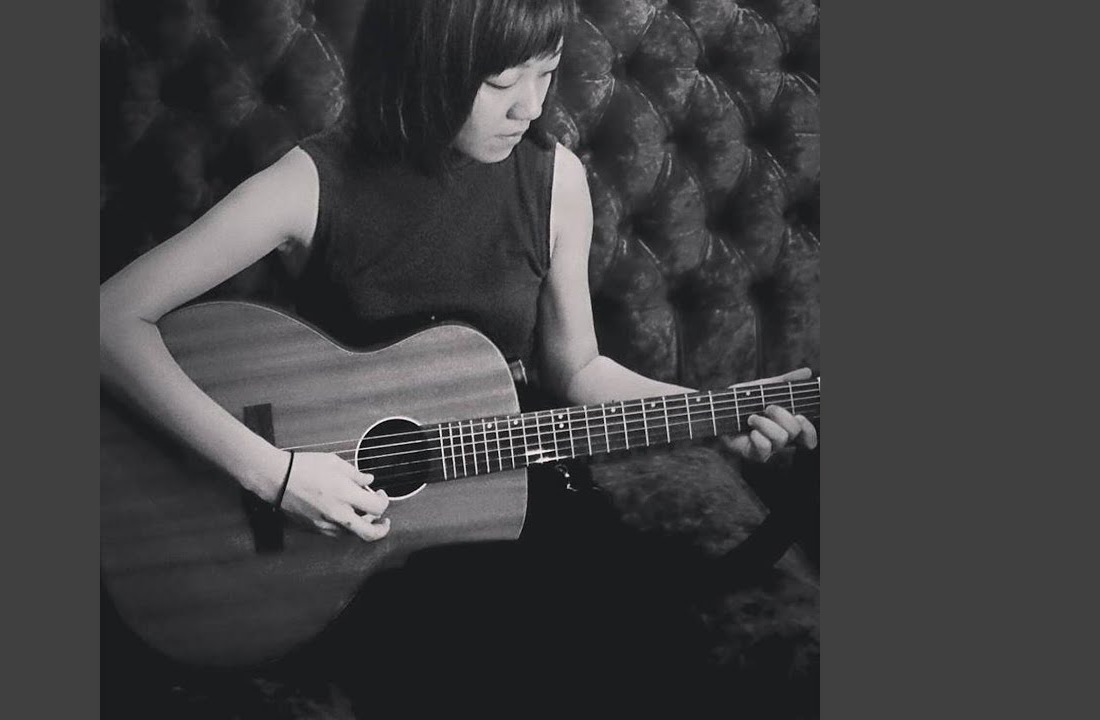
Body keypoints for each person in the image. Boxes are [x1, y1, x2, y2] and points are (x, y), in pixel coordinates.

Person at [100, 0, 817, 716]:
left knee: (634, 655)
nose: (530, 108)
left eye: (547, 73)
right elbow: (108, 319)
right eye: (502, 83)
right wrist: (275, 475)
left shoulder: (555, 181)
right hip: (350, 540)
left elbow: (577, 371)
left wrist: (709, 414)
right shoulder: (312, 181)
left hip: (511, 487)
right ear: (424, 67)